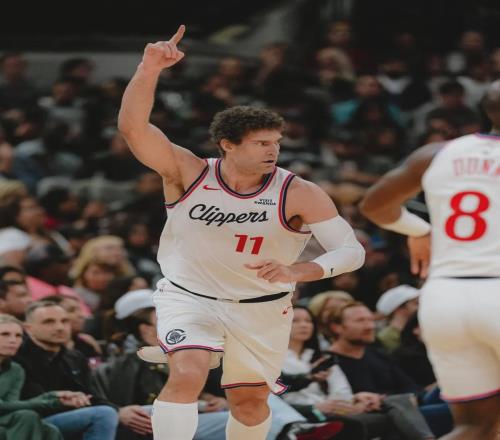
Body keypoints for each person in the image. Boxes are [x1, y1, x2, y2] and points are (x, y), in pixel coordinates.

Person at [117, 25, 365, 440]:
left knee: (250, 403)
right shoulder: (189, 172)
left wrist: (299, 271)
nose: (273, 150)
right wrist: (149, 69)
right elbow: (133, 129)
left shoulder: (298, 192)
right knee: (188, 373)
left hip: (261, 306)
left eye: (276, 142)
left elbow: (351, 251)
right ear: (227, 144)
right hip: (189, 295)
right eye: (261, 143)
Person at [359, 80, 500, 439]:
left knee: (476, 426)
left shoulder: (437, 154)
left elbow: (374, 205)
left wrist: (418, 230)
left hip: (444, 300)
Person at [0, 313, 63, 440]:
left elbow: (11, 405)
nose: (13, 340)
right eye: (5, 334)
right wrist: (49, 402)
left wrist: (54, 397)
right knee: (27, 417)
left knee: (49, 430)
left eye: (18, 336)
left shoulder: (16, 370)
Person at [376, 284, 420, 352]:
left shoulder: (416, 332)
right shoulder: (385, 338)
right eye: (416, 303)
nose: (421, 306)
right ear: (400, 308)